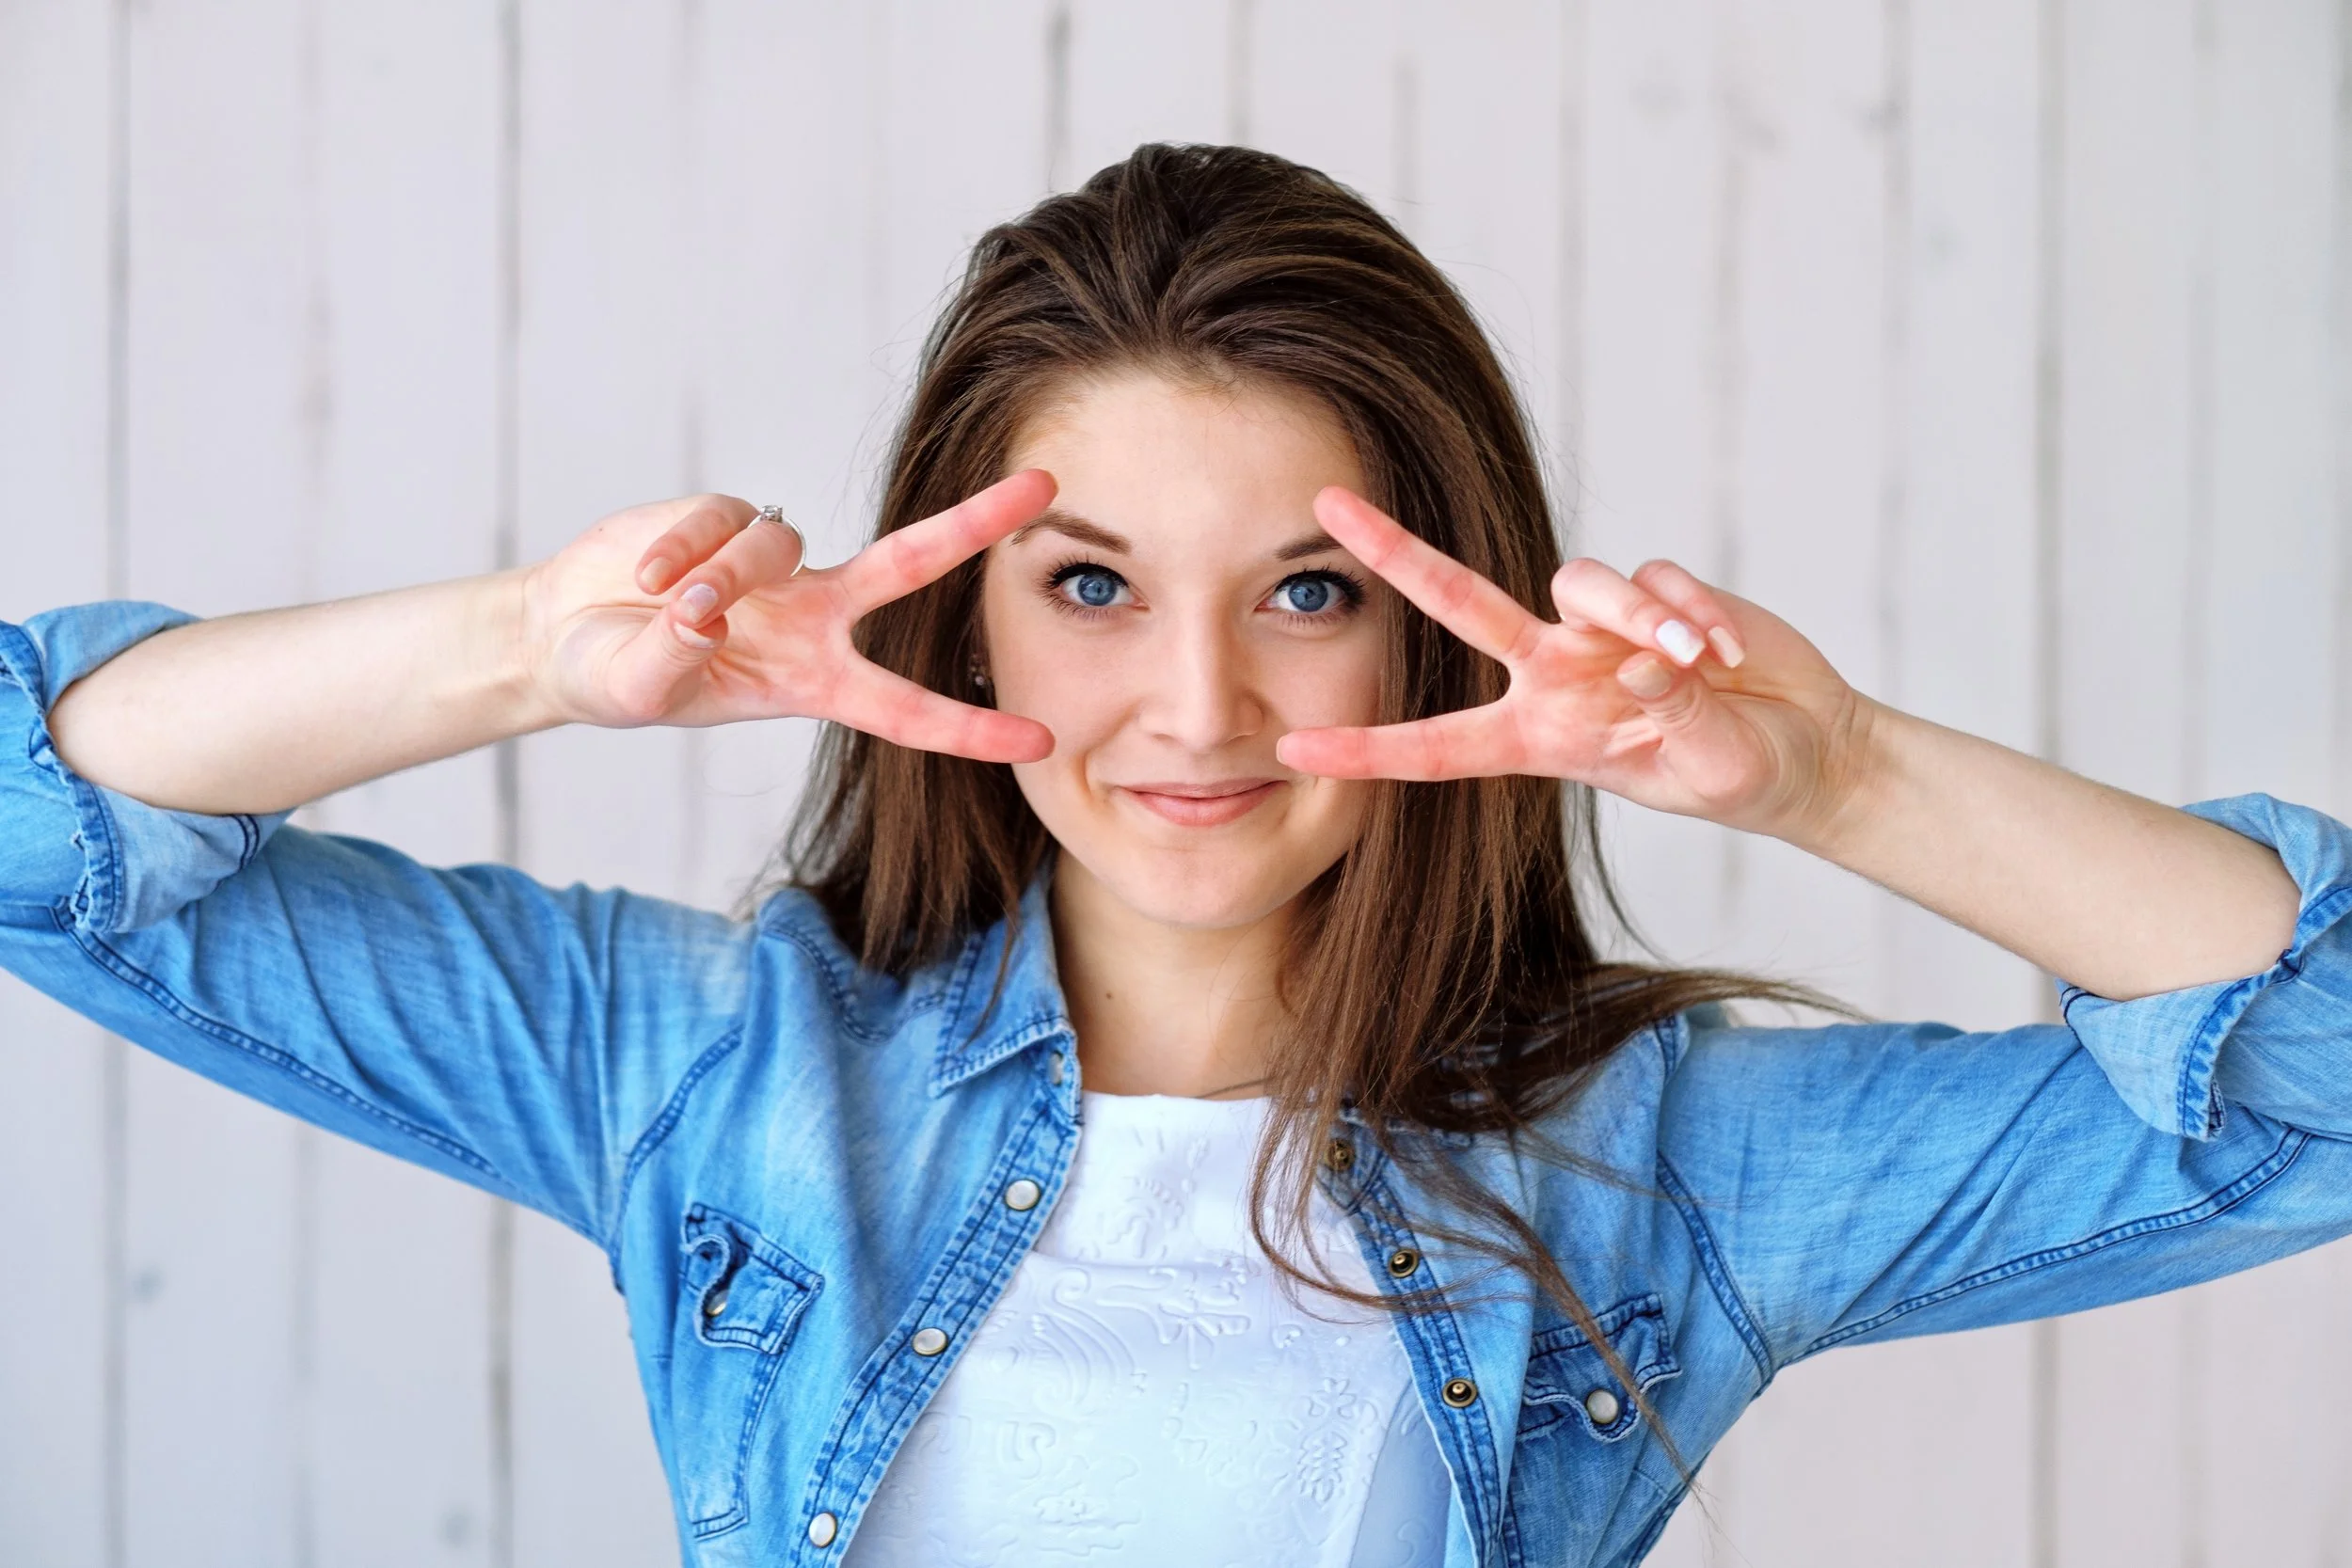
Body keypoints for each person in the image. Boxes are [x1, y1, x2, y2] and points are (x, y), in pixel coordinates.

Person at [2, 142, 2345, 1568]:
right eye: (1092, 582)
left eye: (1306, 592)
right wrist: (532, 642)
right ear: (962, 602)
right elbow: (41, 826)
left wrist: (1835, 778)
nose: (1199, 710)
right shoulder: (701, 1067)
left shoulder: (1665, 1166)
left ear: (1438, 623)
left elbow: (2316, 1072)